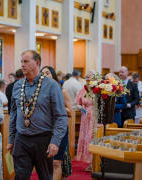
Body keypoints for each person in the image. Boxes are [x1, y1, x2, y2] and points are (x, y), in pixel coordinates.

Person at [7, 50, 68, 180]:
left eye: (26, 61)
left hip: (43, 139)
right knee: (20, 177)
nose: (22, 65)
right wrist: (11, 139)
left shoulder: (51, 86)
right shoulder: (17, 86)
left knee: (45, 177)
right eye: (21, 62)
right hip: (21, 139)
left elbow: (61, 116)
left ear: (37, 62)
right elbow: (13, 114)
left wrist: (55, 141)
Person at [41, 66, 72, 179]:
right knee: (45, 163)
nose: (45, 75)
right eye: (42, 73)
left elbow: (70, 111)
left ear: (53, 75)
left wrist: (55, 108)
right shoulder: (39, 93)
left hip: (59, 128)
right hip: (44, 129)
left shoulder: (61, 90)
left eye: (47, 73)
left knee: (56, 162)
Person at [75, 71, 95, 170]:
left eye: (90, 78)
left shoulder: (97, 90)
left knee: (91, 137)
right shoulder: (82, 90)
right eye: (86, 79)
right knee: (86, 137)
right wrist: (81, 108)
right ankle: (89, 162)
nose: (88, 80)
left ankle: (93, 162)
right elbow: (77, 102)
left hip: (94, 116)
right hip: (85, 116)